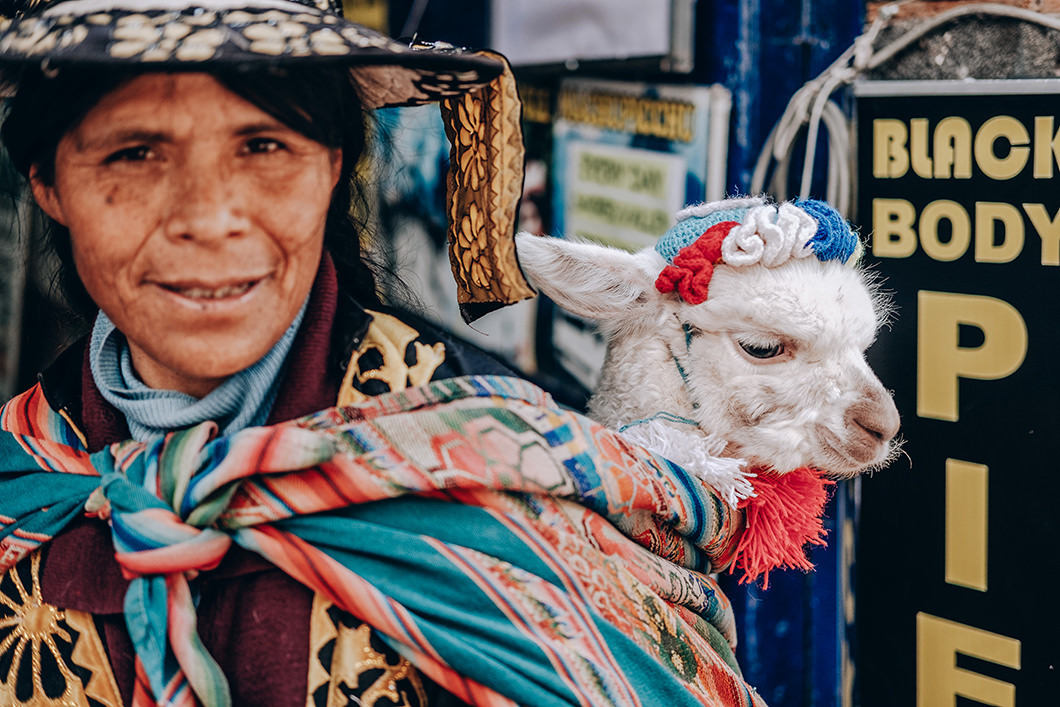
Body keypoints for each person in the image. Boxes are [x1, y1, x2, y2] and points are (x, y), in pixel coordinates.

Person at [0, 1, 768, 705]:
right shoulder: (24, 479)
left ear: (334, 167)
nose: (208, 218)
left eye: (264, 144)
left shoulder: (498, 466)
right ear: (47, 182)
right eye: (135, 154)